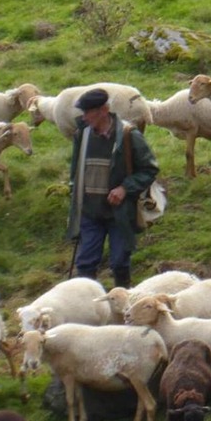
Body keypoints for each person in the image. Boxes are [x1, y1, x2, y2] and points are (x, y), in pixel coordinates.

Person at [66, 88, 159, 288]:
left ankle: (123, 306)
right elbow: (75, 172)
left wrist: (125, 189)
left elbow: (149, 169)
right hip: (90, 213)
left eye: (89, 112)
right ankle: (86, 306)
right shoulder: (81, 135)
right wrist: (75, 194)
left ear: (104, 110)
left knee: (119, 263)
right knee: (85, 265)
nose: (85, 117)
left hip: (119, 214)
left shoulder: (128, 135)